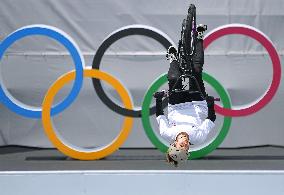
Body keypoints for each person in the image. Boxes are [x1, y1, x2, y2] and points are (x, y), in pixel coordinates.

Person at [154, 5, 216, 167]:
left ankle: (173, 59)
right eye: (187, 148)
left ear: (174, 144)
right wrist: (210, 104)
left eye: (182, 146)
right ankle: (200, 36)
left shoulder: (166, 133)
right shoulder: (198, 137)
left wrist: (159, 99)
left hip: (178, 103)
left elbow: (160, 115)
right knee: (196, 71)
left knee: (174, 76)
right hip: (197, 103)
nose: (186, 144)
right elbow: (211, 119)